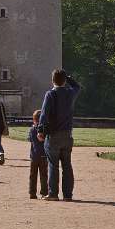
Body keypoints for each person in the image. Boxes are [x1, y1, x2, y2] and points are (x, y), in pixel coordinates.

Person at [38, 69, 82, 201]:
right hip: (67, 134)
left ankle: (53, 193)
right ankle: (68, 195)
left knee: (53, 165)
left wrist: (40, 130)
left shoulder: (50, 94)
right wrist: (68, 78)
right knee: (67, 165)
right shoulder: (70, 93)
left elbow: (44, 114)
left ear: (52, 80)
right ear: (64, 81)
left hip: (53, 134)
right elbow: (78, 86)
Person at [27, 109, 48, 199]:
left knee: (33, 175)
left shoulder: (32, 129)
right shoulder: (45, 129)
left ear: (34, 120)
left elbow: (29, 139)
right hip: (44, 154)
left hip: (34, 155)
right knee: (44, 175)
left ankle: (32, 193)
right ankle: (44, 192)